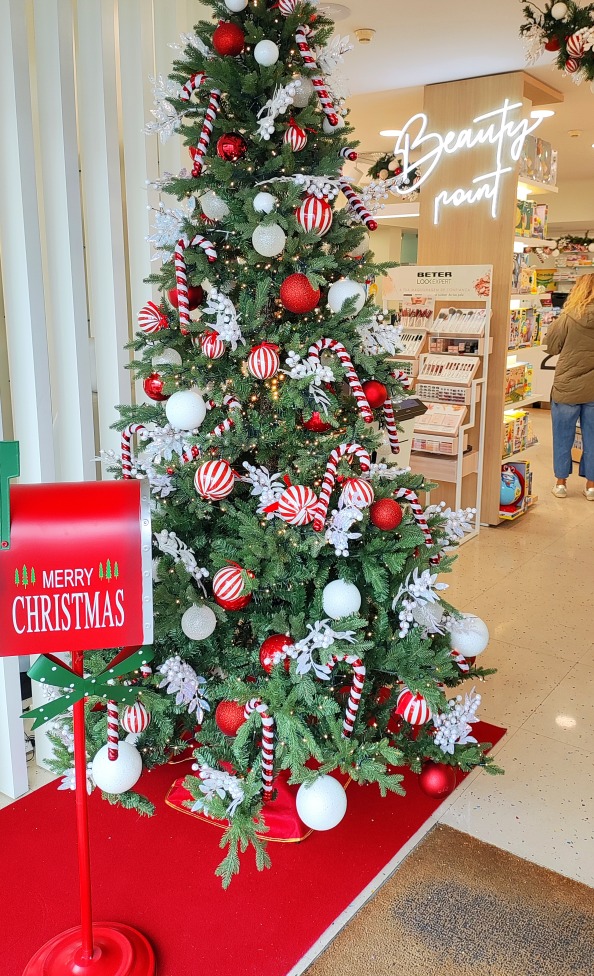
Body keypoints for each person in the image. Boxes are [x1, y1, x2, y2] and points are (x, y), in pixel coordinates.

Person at [545, 273, 594, 499]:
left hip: (567, 386)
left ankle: (561, 483)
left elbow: (552, 346)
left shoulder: (567, 317)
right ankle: (591, 487)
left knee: (562, 436)